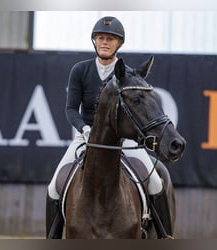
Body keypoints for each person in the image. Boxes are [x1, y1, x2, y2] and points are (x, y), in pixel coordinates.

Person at [46, 16, 173, 239]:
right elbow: (71, 110)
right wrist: (84, 128)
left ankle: (165, 236)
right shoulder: (80, 70)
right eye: (101, 38)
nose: (105, 42)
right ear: (94, 41)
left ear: (119, 44)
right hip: (87, 137)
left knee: (155, 182)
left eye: (110, 39)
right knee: (54, 187)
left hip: (124, 140)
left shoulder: (128, 74)